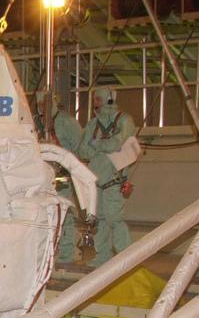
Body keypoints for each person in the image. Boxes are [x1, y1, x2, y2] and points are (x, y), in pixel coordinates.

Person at [76, 86, 138, 266]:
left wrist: (96, 144)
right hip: (96, 179)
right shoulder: (92, 124)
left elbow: (117, 144)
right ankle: (103, 255)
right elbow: (83, 150)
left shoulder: (124, 120)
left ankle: (126, 256)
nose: (95, 103)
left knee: (114, 218)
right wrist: (102, 144)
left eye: (98, 99)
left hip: (113, 179)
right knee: (100, 218)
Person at [50, 103, 85, 265]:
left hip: (64, 175)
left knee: (64, 213)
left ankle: (67, 252)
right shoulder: (38, 121)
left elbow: (80, 149)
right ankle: (52, 251)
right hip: (48, 174)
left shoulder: (66, 122)